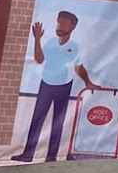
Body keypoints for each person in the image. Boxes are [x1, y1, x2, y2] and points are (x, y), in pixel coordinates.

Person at [12, 10, 97, 164]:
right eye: (59, 22)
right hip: (46, 84)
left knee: (58, 120)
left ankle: (52, 156)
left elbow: (78, 67)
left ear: (72, 27)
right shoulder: (50, 42)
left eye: (64, 23)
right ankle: (28, 154)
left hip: (64, 86)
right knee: (37, 119)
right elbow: (39, 59)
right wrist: (37, 39)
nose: (59, 26)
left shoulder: (74, 46)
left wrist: (87, 82)